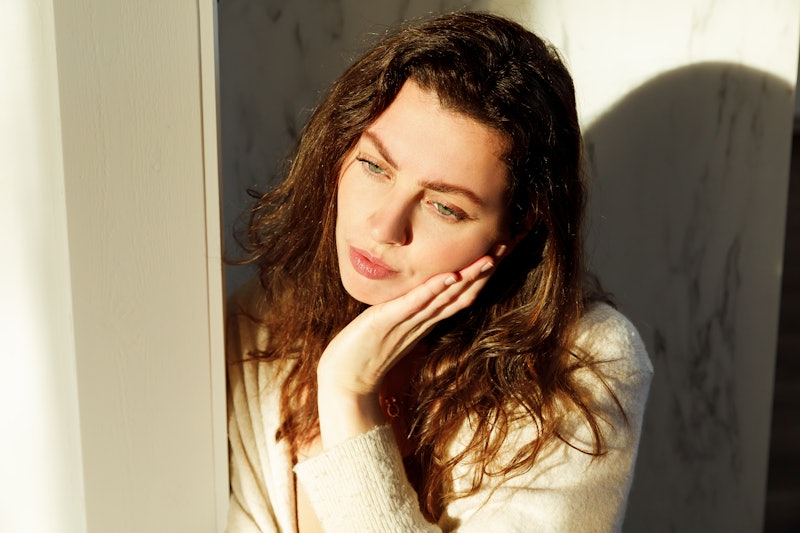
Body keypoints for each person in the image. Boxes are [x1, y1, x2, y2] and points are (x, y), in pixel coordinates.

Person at [225, 11, 652, 533]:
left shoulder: (584, 365)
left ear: (516, 231)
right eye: (375, 167)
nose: (385, 225)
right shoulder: (257, 326)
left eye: (444, 208)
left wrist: (347, 393)